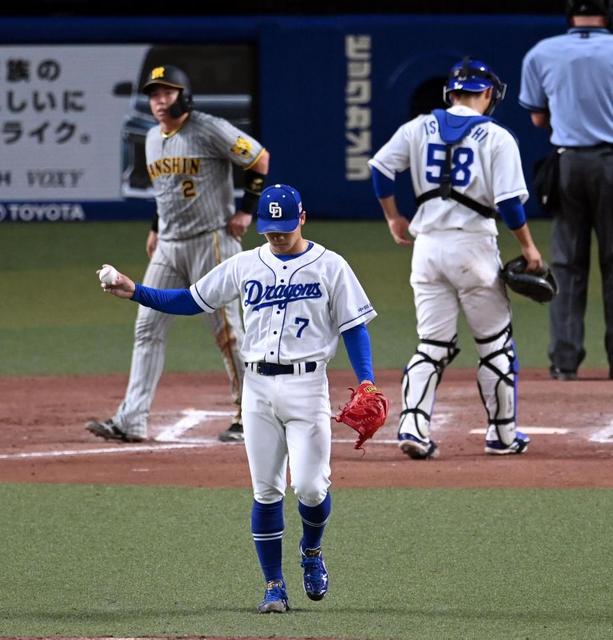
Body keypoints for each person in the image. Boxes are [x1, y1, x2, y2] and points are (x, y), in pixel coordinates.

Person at [95, 183, 380, 613]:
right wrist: (135, 290)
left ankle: (311, 552)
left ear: (302, 218)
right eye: (271, 230)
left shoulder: (331, 266)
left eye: (285, 228)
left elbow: (355, 327)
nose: (278, 236)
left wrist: (367, 381)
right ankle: (273, 586)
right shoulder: (244, 264)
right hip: (258, 388)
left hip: (307, 388)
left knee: (310, 488)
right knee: (266, 492)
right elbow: (191, 300)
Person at [369, 57, 544, 459]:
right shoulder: (497, 137)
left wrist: (394, 218)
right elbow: (510, 206)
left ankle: (412, 425)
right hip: (473, 249)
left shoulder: (418, 126)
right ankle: (502, 435)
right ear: (486, 94)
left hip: (427, 250)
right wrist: (529, 247)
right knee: (495, 347)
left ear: (451, 93)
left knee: (432, 344)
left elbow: (380, 169)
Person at [87, 64, 269, 444]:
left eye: (166, 93)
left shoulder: (209, 128)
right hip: (169, 246)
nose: (159, 101)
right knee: (147, 328)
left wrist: (247, 209)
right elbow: (165, 189)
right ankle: (131, 420)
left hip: (212, 240)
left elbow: (258, 159)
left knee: (228, 331)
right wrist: (156, 228)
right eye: (154, 94)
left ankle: (247, 415)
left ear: (183, 96)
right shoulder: (153, 137)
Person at [519, 0, 613, 381]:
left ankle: (564, 361)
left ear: (570, 14)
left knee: (567, 266)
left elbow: (538, 116)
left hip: (570, 163)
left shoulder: (544, 52)